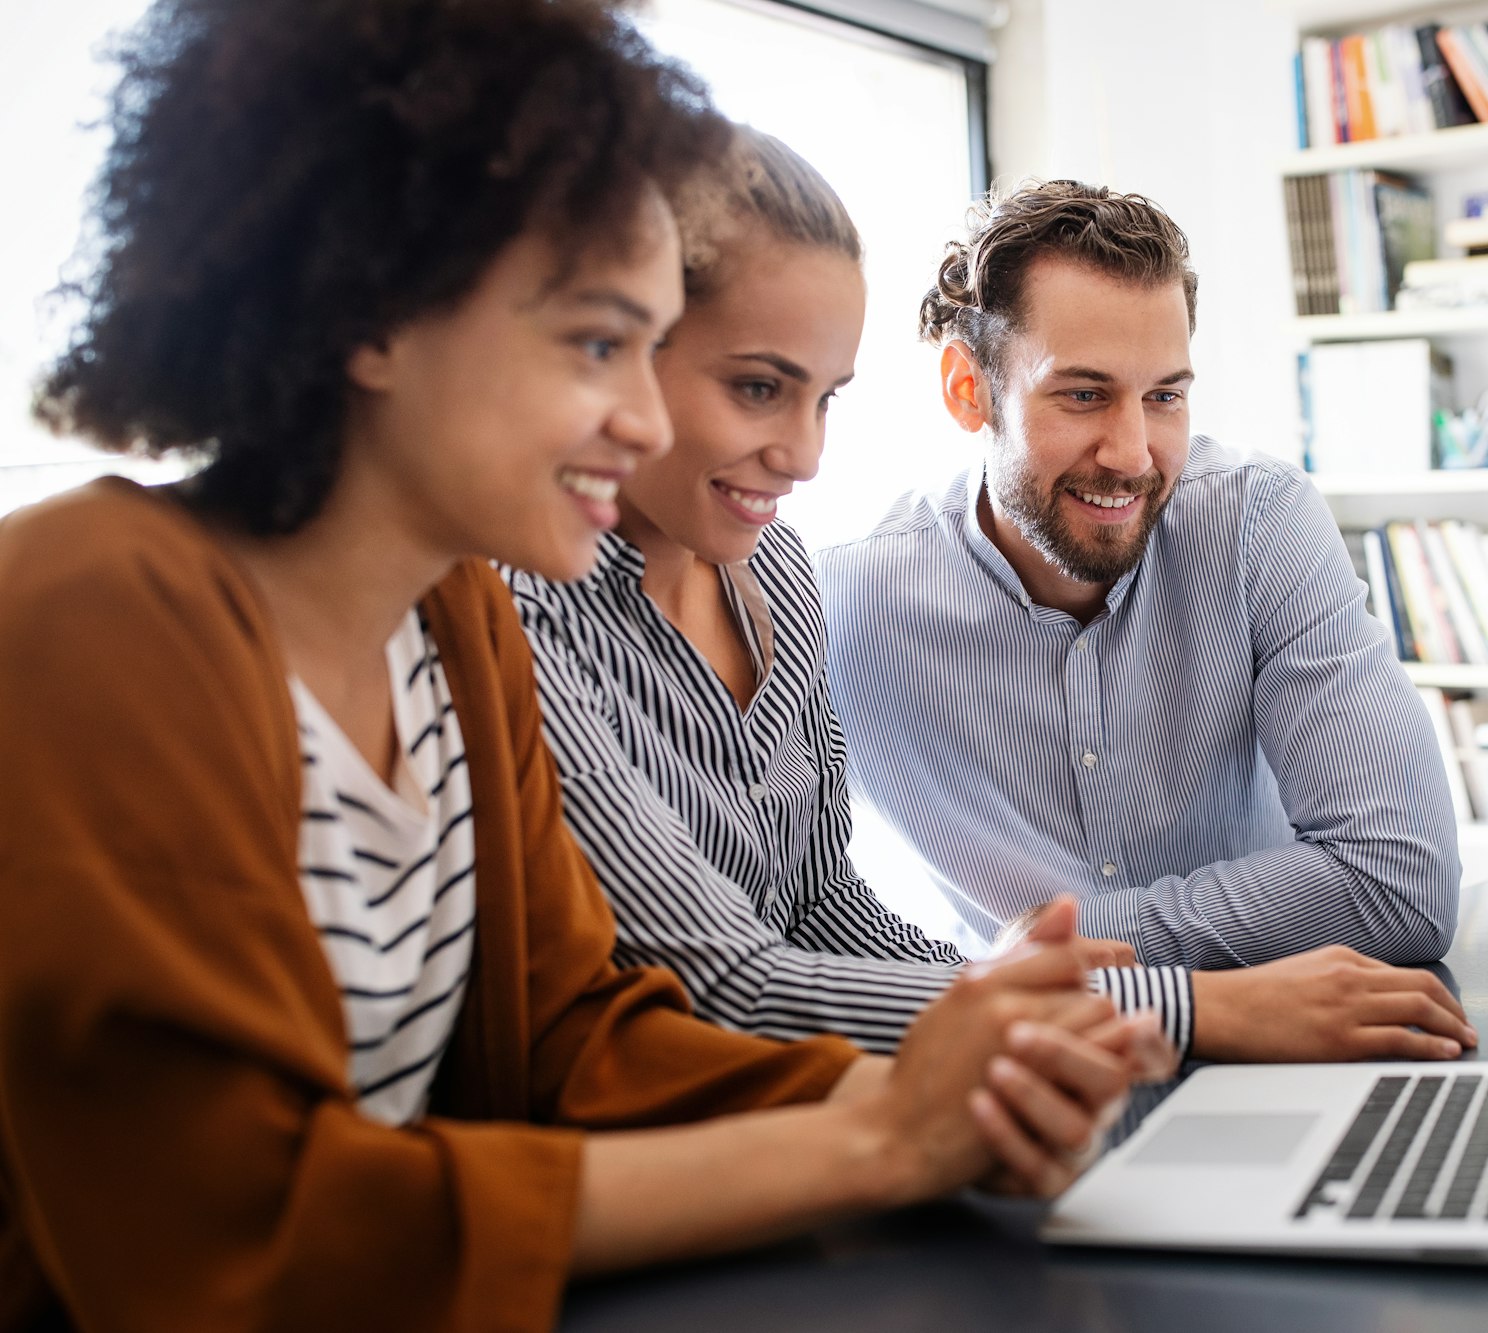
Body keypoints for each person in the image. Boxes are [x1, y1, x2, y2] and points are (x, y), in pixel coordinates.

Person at [0, 8, 1160, 1329]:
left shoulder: (453, 623)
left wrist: (946, 1091)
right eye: (599, 345)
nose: (648, 418)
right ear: (375, 310)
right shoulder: (88, 607)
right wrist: (879, 1141)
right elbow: (232, 1234)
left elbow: (573, 1035)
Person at [506, 126, 1199, 1058]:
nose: (804, 456)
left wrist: (995, 987)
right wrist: (1179, 1011)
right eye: (758, 388)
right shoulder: (524, 616)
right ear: (620, 352)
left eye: (826, 398)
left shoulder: (783, 578)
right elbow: (721, 983)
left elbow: (824, 901)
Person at [816, 180, 1475, 1063]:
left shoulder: (1257, 521)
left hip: (1278, 1052)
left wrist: (1077, 951)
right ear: (969, 389)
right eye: (1084, 395)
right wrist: (1190, 991)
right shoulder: (839, 606)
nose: (1132, 455)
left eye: (1164, 396)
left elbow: (1401, 880)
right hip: (1021, 1078)